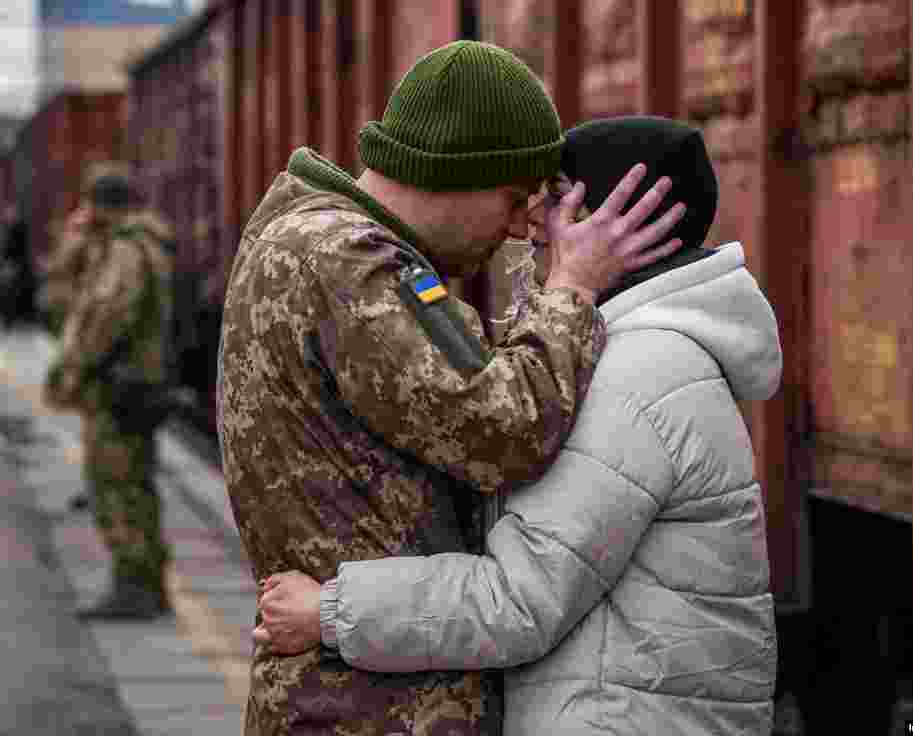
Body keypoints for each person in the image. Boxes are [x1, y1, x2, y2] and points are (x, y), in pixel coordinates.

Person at [253, 116, 783, 735]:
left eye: (557, 197)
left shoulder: (640, 375)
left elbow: (521, 598)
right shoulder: (642, 352)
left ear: (619, 218)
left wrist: (332, 611)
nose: (530, 221)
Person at [217, 41, 686, 736]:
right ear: (458, 176)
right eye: (513, 201)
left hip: (351, 689)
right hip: (379, 706)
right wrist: (572, 288)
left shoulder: (305, 240)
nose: (517, 231)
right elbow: (505, 432)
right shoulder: (351, 263)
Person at [43, 164, 175, 619]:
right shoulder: (147, 243)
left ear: (101, 206)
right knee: (138, 483)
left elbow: (106, 313)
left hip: (119, 387)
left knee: (114, 486)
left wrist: (75, 366)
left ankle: (132, 586)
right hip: (141, 384)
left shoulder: (125, 250)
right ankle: (149, 584)